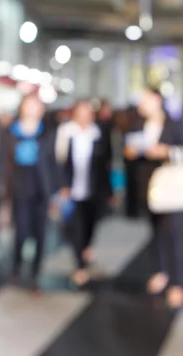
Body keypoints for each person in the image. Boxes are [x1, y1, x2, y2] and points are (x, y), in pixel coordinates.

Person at [0, 93, 63, 293]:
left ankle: (35, 272)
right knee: (21, 231)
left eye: (37, 106)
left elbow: (53, 163)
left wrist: (59, 190)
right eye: (29, 105)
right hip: (19, 187)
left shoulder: (48, 132)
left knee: (41, 233)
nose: (32, 109)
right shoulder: (9, 131)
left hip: (41, 189)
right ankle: (17, 267)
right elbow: (0, 162)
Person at [124, 87, 183, 308]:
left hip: (169, 186)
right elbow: (128, 151)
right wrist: (131, 152)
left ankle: (177, 283)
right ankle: (159, 271)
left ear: (157, 100)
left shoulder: (173, 124)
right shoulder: (137, 124)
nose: (143, 103)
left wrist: (166, 152)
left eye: (146, 98)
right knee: (153, 233)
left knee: (171, 233)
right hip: (146, 185)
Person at [57, 100, 112, 286]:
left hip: (93, 189)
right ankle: (79, 265)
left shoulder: (98, 133)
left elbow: (106, 164)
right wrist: (62, 185)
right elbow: (59, 160)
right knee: (76, 227)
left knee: (90, 223)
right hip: (72, 190)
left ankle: (86, 248)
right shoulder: (66, 132)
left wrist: (109, 190)